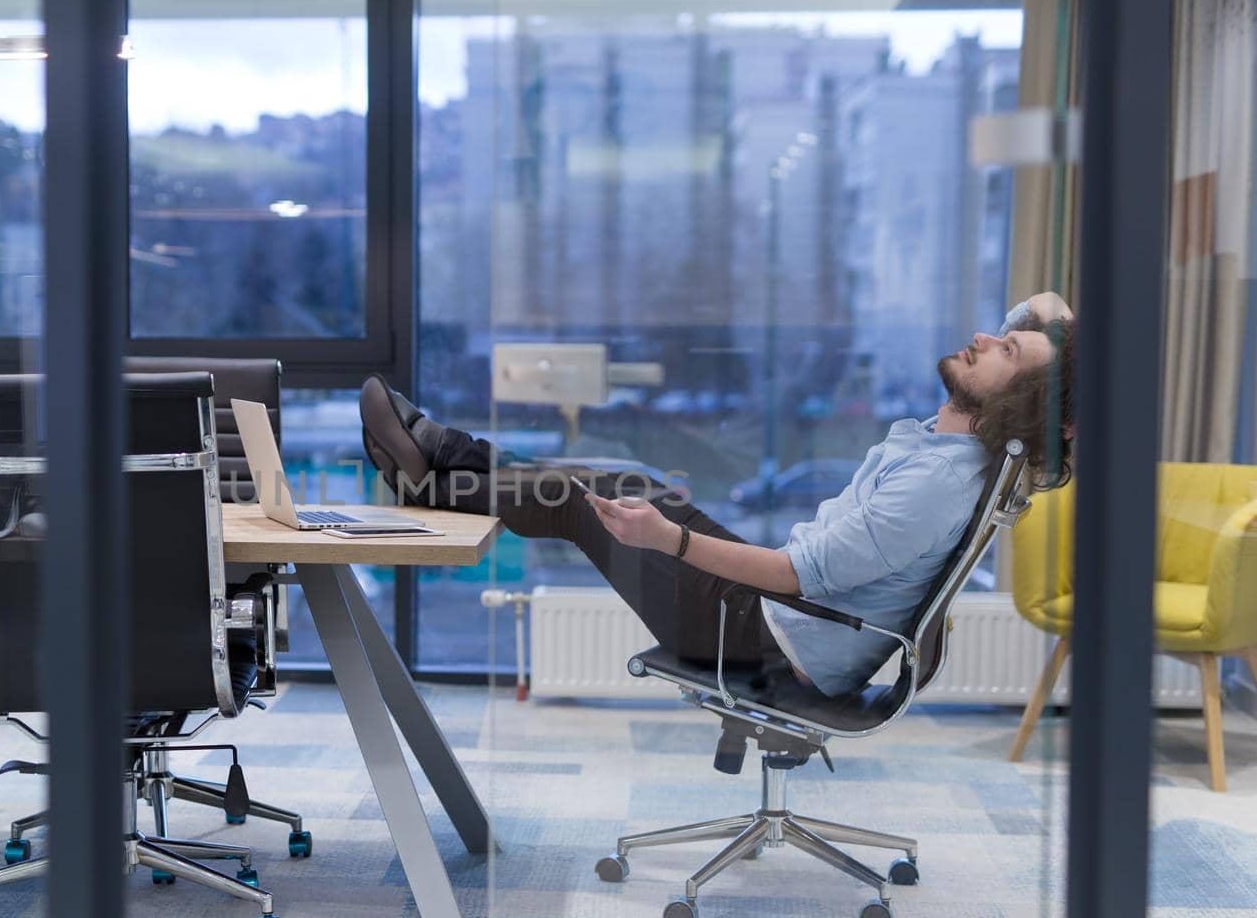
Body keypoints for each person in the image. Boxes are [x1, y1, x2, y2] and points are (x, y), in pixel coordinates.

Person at [360, 293, 1078, 698]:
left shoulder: (935, 483)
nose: (986, 334)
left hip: (766, 637)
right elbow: (1040, 319)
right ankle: (440, 458)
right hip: (782, 614)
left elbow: (803, 576)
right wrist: (1048, 325)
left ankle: (429, 470)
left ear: (1017, 400)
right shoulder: (946, 444)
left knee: (592, 502)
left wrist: (668, 539)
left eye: (1007, 350)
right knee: (620, 472)